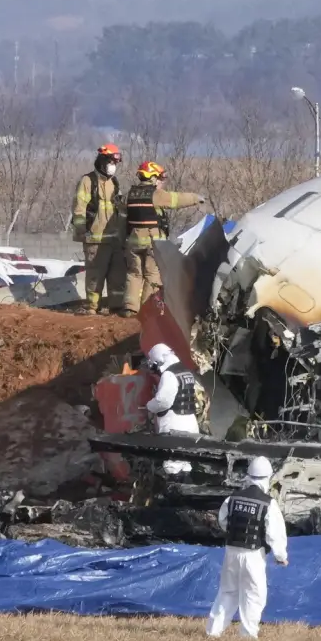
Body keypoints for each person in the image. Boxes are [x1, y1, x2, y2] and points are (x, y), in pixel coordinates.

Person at [206, 455, 289, 639]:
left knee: (227, 592)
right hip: (253, 554)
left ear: (248, 476)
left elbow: (222, 521)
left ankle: (213, 632)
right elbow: (274, 533)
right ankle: (247, 635)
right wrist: (280, 556)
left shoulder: (232, 498)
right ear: (268, 477)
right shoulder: (269, 503)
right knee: (254, 595)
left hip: (231, 552)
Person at [121, 161, 204, 315]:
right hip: (152, 243)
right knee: (152, 275)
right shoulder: (156, 195)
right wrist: (195, 197)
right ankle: (147, 310)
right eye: (158, 178)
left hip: (133, 242)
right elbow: (177, 199)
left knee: (134, 273)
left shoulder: (129, 195)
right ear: (152, 177)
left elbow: (120, 211)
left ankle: (130, 307)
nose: (160, 181)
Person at [71, 144, 125, 315]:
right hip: (94, 239)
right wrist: (81, 230)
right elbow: (79, 208)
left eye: (115, 162)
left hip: (114, 239)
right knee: (95, 274)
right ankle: (92, 307)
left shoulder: (114, 182)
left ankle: (116, 307)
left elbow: (120, 209)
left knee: (117, 276)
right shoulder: (88, 181)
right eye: (111, 161)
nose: (113, 166)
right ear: (102, 161)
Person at [145, 343, 201, 477]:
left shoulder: (169, 374)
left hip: (175, 425)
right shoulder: (186, 371)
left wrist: (149, 406)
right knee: (185, 464)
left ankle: (173, 493)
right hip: (190, 423)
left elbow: (163, 401)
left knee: (172, 466)